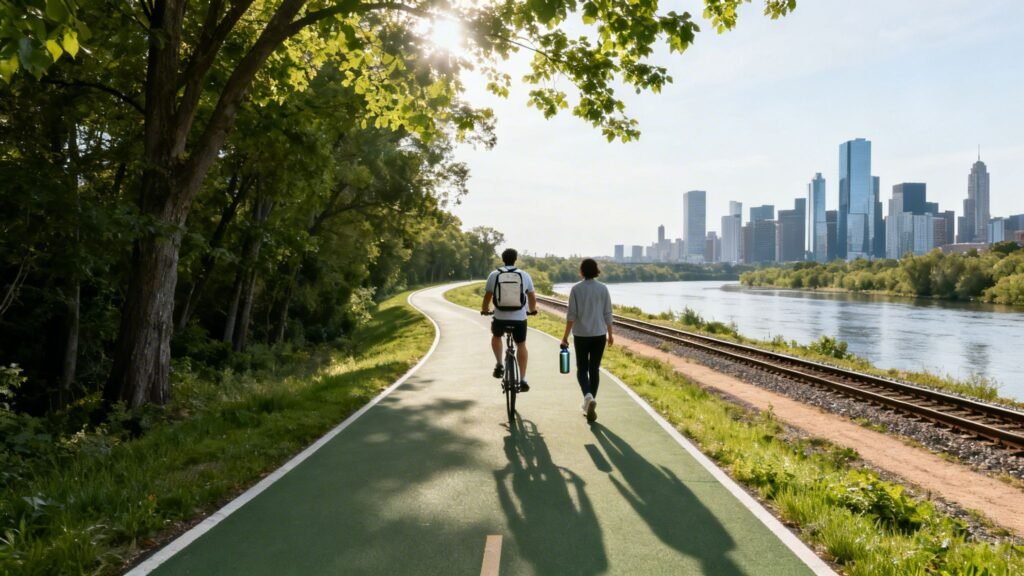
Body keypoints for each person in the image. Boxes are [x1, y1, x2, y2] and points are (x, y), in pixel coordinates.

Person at [560, 258, 613, 422]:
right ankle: (590, 401)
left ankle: (588, 398)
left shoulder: (576, 289)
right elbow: (608, 313)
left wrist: (565, 337)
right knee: (594, 369)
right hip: (599, 335)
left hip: (581, 335)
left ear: (581, 271)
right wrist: (610, 334)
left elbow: (571, 315)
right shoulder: (603, 289)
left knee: (582, 369)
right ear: (597, 270)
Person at [482, 248, 538, 391]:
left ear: (503, 259)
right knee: (521, 345)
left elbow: (488, 296)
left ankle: (500, 364)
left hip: (500, 317)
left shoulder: (494, 274)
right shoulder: (524, 275)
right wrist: (532, 310)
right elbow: (531, 296)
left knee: (496, 336)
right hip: (519, 318)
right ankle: (523, 379)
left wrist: (485, 310)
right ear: (515, 259)